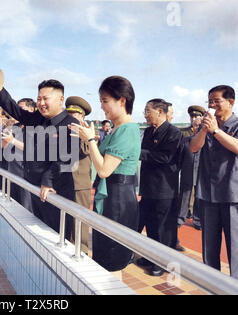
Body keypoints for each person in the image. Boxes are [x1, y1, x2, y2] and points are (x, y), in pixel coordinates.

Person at [0, 79, 83, 239]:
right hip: (35, 188)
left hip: (56, 192)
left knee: (55, 237)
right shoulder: (37, 119)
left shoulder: (71, 124)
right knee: (37, 235)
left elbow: (66, 158)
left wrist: (48, 181)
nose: (41, 103)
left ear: (61, 99)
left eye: (45, 98)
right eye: (39, 98)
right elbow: (14, 109)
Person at [71, 76, 141, 279]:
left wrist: (91, 139)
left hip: (119, 199)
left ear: (122, 100)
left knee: (112, 257)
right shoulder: (117, 129)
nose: (102, 106)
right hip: (112, 195)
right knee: (105, 254)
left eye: (105, 101)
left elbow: (103, 170)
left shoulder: (127, 130)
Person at [190, 85, 238, 284]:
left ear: (230, 102)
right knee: (209, 248)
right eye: (210, 101)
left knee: (237, 248)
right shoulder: (206, 126)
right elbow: (193, 147)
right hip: (208, 195)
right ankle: (211, 285)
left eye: (216, 101)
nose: (212, 105)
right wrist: (206, 130)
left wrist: (216, 131)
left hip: (234, 195)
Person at [138, 98, 182, 276]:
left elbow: (166, 158)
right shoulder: (148, 132)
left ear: (160, 112)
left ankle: (163, 263)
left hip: (164, 188)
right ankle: (150, 257)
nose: (146, 115)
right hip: (148, 186)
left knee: (164, 227)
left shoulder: (173, 133)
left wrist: (137, 152)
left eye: (148, 111)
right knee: (150, 224)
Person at [66, 96, 93, 252]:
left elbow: (84, 150)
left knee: (80, 221)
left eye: (75, 114)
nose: (71, 117)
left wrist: (81, 133)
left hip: (79, 184)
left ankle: (81, 251)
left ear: (82, 117)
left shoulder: (86, 133)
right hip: (64, 182)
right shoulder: (64, 130)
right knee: (67, 218)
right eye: (69, 114)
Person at [177, 105, 206, 231]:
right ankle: (180, 218)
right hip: (187, 166)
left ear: (202, 117)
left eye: (197, 116)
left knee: (199, 194)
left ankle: (197, 219)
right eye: (192, 116)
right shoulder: (183, 132)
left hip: (201, 167)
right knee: (185, 193)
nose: (194, 118)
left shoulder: (206, 131)